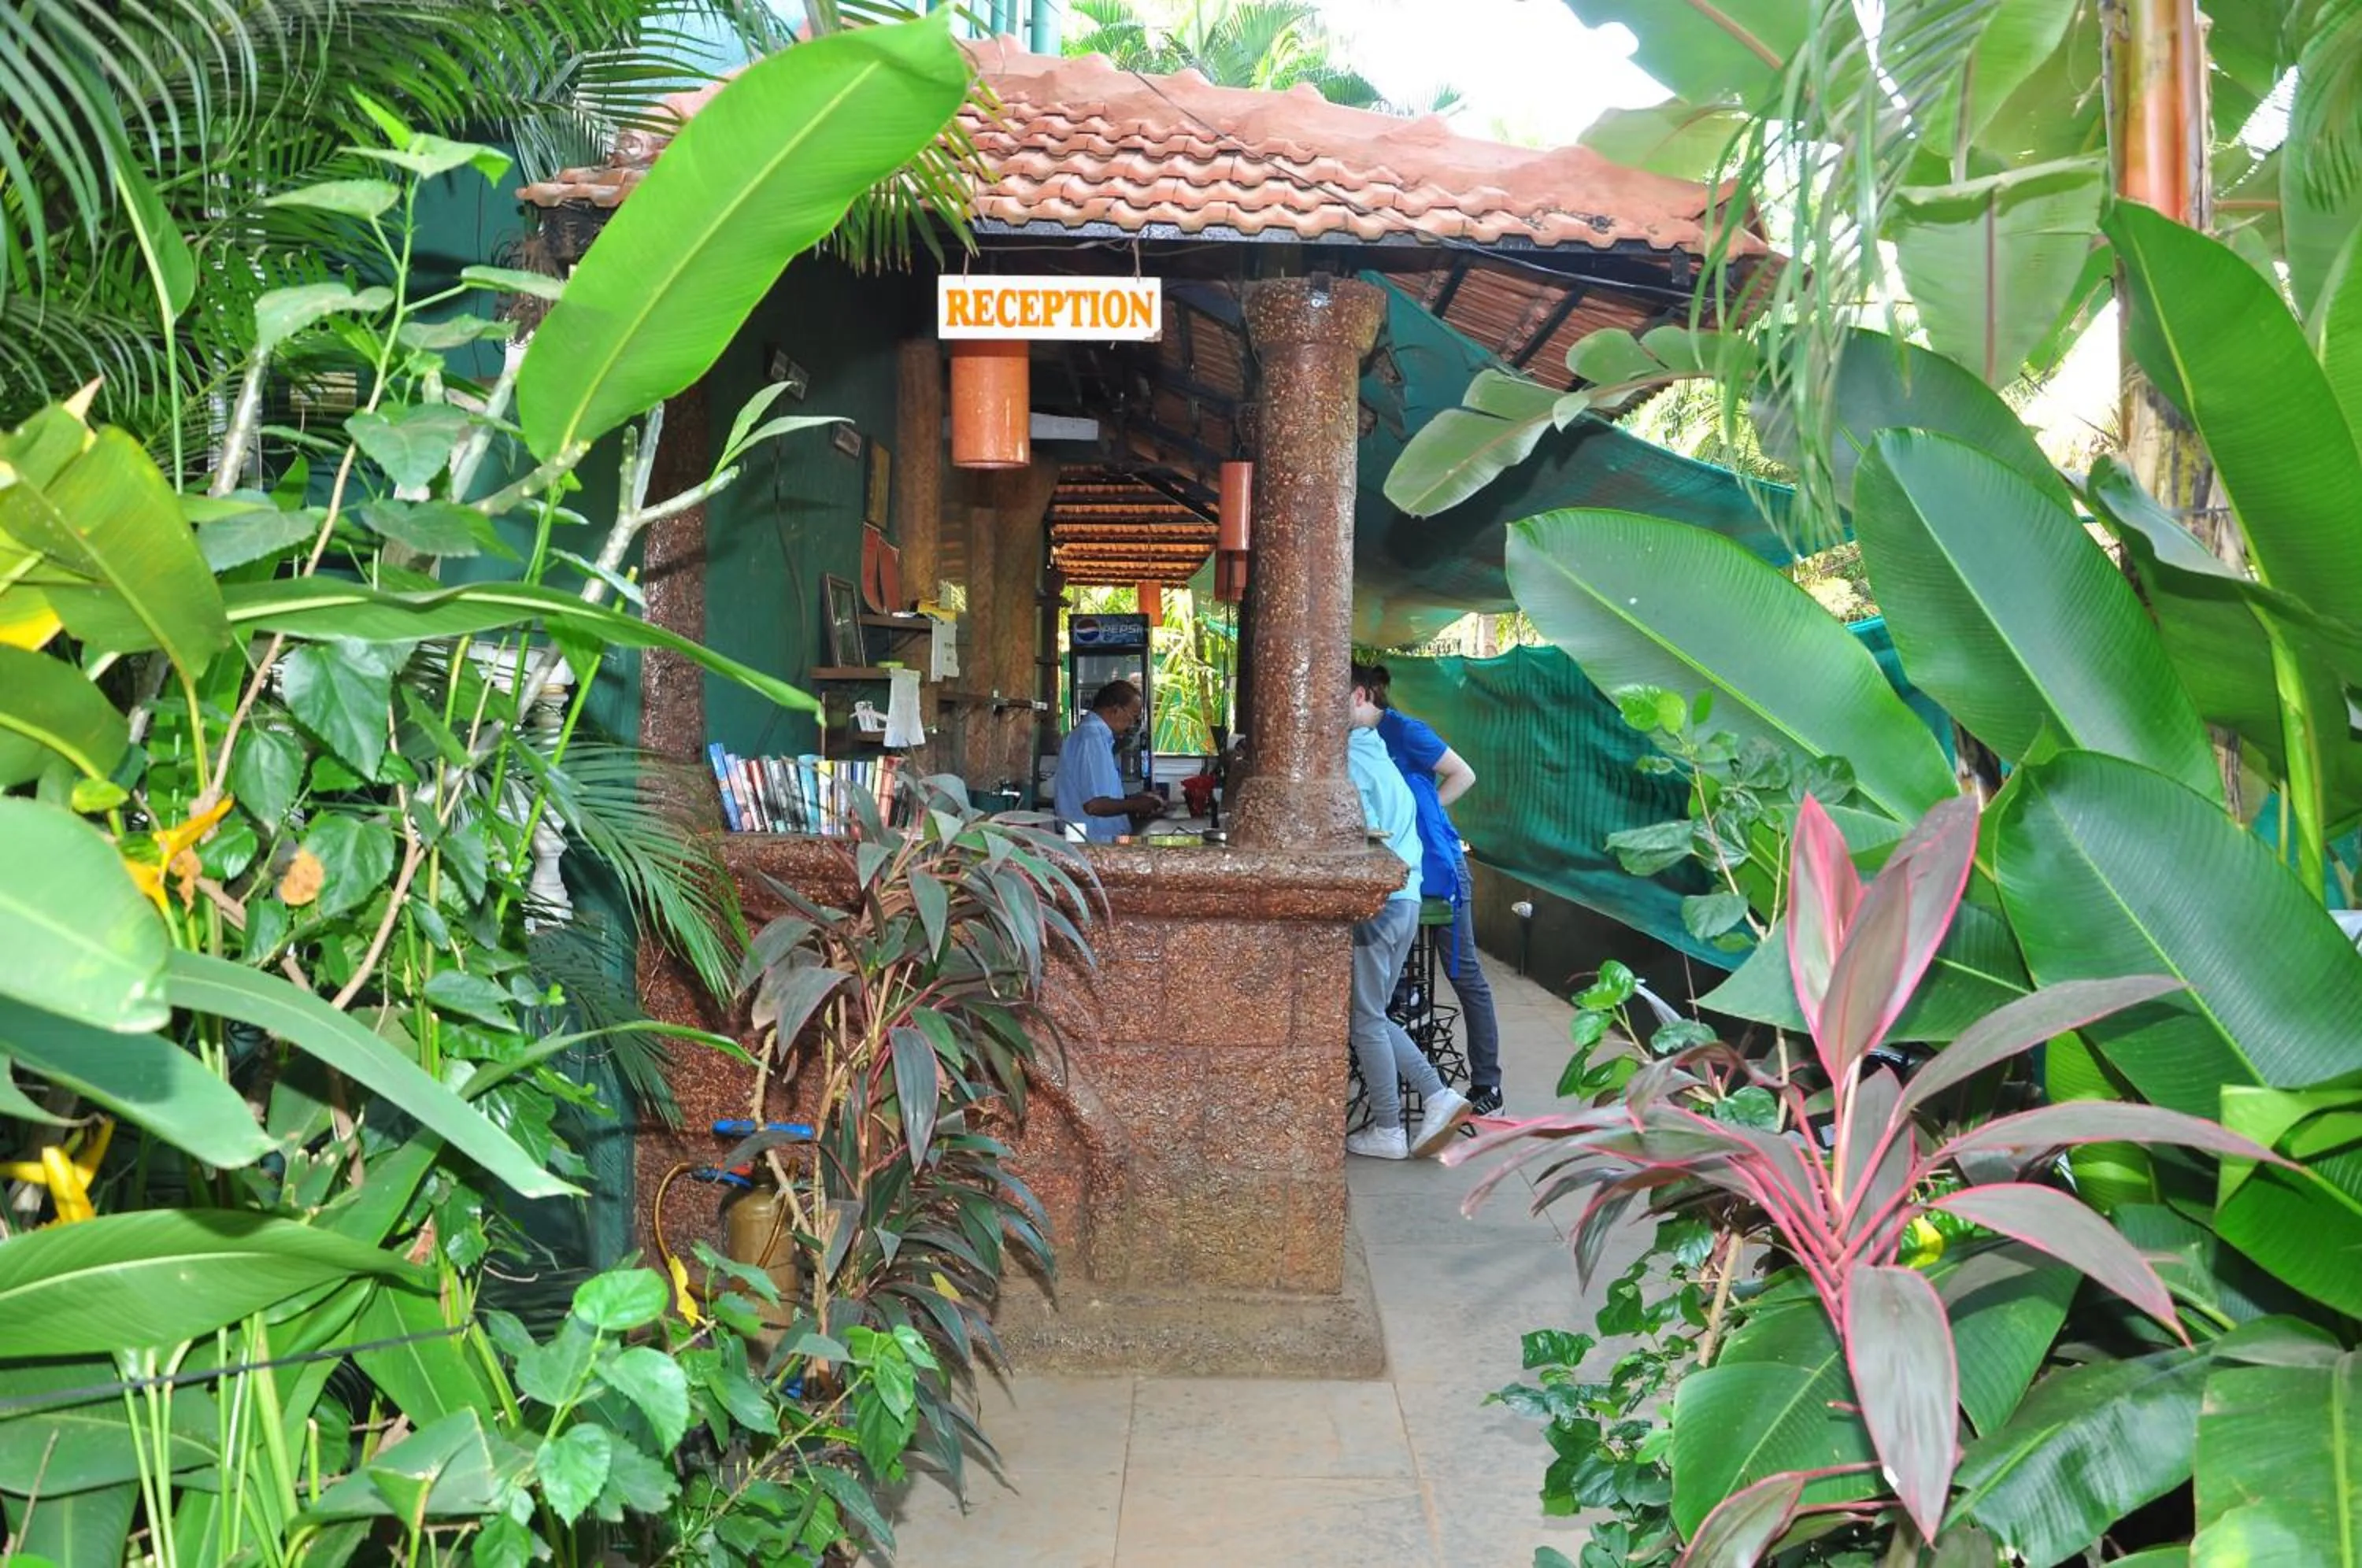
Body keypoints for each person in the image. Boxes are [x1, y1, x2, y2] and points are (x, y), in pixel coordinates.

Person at [1366, 664, 1505, 1116]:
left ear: (1363, 694)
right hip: (1395, 873)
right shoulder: (1354, 741)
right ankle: (1411, 1010)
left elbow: (1463, 774)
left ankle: (1488, 1085)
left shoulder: (1405, 732)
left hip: (1440, 868)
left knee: (1464, 974)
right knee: (1392, 964)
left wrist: (1423, 813)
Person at [1346, 664, 1472, 1159]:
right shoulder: (1375, 751)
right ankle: (1437, 1098)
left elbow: (1366, 835)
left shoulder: (1352, 761)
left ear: (1357, 696)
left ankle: (1389, 1127)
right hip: (1408, 898)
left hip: (1380, 903)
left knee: (1366, 1021)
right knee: (1373, 1015)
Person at [1053, 680, 1164, 843]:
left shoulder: (1097, 737)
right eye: (1133, 717)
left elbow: (1099, 792)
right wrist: (1135, 804)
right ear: (1116, 710)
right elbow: (1095, 805)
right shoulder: (1090, 738)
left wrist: (1134, 798)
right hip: (1095, 844)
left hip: (1101, 841)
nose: (1132, 724)